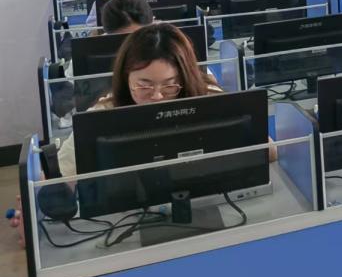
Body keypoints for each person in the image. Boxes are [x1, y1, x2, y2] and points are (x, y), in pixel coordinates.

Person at [57, 24, 224, 177]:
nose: (157, 96)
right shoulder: (101, 117)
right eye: (144, 86)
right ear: (125, 79)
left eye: (169, 85)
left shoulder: (211, 101)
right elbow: (62, 176)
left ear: (185, 80)